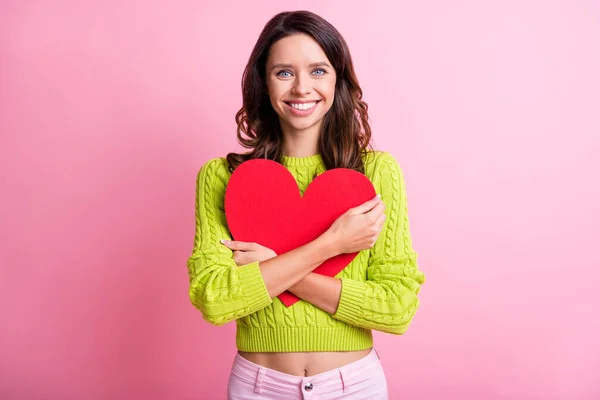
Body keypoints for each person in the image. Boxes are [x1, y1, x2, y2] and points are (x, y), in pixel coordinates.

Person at [187, 10, 426, 399]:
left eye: (318, 71)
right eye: (284, 72)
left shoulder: (376, 174)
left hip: (354, 387)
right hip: (258, 387)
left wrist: (269, 267)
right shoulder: (222, 177)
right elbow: (215, 299)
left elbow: (396, 307)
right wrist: (330, 245)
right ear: (263, 83)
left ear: (338, 80)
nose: (301, 88)